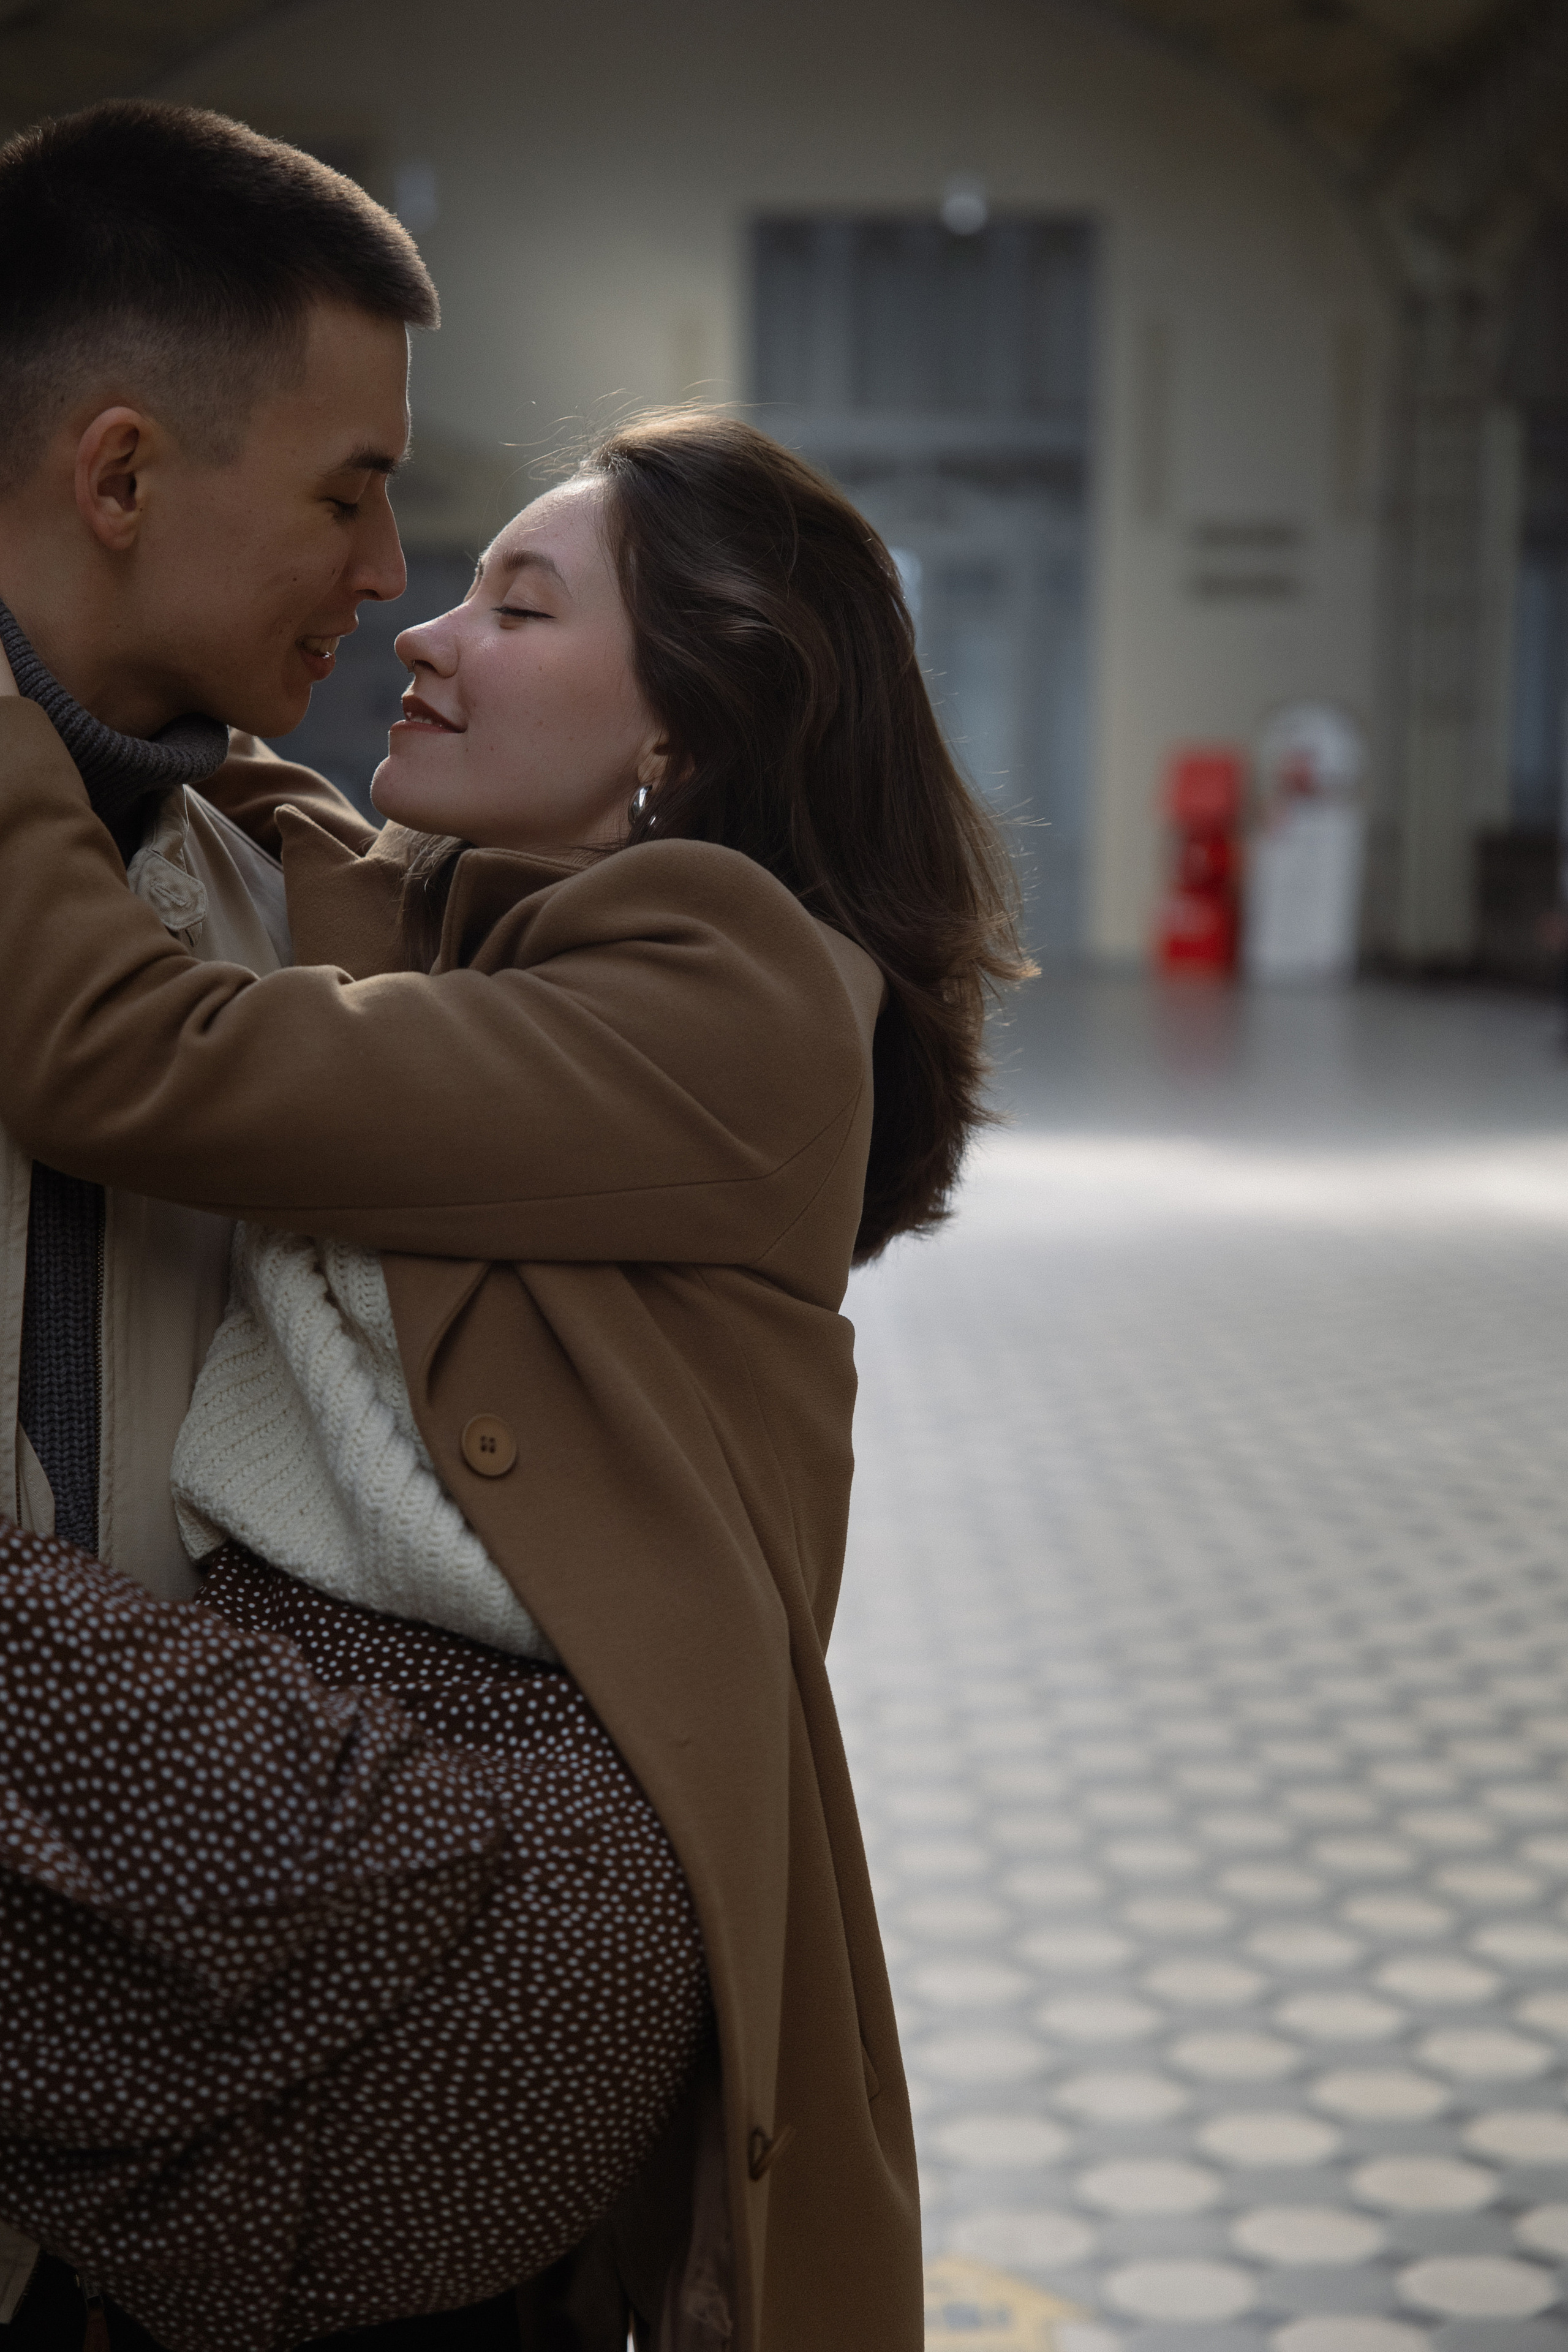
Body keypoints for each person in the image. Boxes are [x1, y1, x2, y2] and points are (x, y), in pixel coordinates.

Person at [0, 412, 1031, 2350]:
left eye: (518, 602)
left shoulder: (735, 982)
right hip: (433, 1883)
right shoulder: (538, 956)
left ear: (686, 737)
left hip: (481, 1887)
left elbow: (133, 1057)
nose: (424, 627)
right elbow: (370, 936)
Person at [0, 97, 442, 2346]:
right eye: (351, 495)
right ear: (119, 475)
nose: (388, 578)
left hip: (169, 2054)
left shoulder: (266, 883)